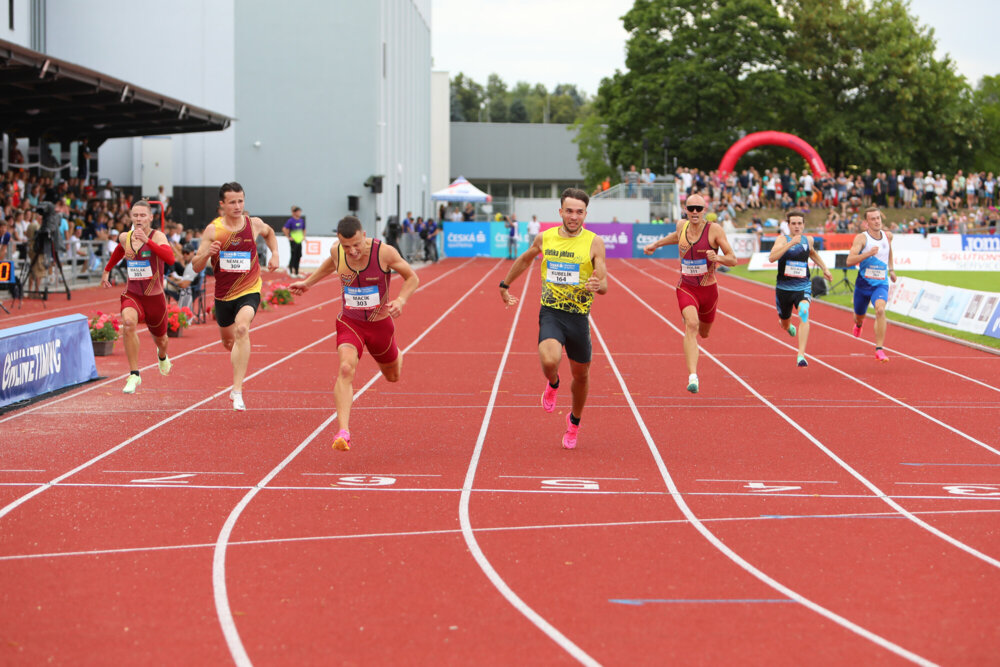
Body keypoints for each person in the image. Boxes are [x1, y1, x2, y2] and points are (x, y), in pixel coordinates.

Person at [288, 215, 419, 451]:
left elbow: (412, 277)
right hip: (350, 322)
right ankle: (343, 431)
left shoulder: (384, 252)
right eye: (347, 246)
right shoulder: (338, 251)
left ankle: (397, 355)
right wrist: (309, 282)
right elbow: (332, 261)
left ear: (364, 236)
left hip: (380, 326)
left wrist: (401, 299)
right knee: (346, 368)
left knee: (392, 376)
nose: (352, 251)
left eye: (356, 245)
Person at [498, 188, 608, 450]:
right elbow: (525, 259)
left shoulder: (594, 242)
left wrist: (597, 284)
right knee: (550, 360)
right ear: (560, 212)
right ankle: (553, 383)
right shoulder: (545, 238)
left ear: (585, 214)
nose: (574, 217)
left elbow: (603, 282)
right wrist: (505, 284)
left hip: (579, 317)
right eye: (569, 211)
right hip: (552, 312)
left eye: (579, 212)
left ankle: (574, 422)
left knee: (581, 376)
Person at [191, 182, 279, 411]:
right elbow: (196, 265)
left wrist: (275, 253)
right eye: (232, 202)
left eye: (241, 201)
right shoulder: (213, 230)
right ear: (222, 204)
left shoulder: (254, 224)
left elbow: (270, 234)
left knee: (242, 328)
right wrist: (206, 256)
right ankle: (241, 358)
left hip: (249, 289)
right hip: (223, 294)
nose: (238, 206)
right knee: (229, 342)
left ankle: (237, 390)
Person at [643, 193, 737, 393]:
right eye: (691, 208)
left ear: (705, 211)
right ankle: (693, 377)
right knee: (691, 325)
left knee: (704, 332)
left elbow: (733, 259)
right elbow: (676, 237)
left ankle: (694, 323)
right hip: (686, 287)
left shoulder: (714, 230)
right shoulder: (681, 225)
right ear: (685, 209)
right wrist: (656, 244)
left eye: (698, 208)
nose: (694, 212)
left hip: (709, 290)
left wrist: (717, 258)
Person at [100, 200, 174, 393]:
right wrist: (107, 270)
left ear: (150, 217)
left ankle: (163, 356)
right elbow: (119, 250)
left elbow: (170, 258)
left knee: (162, 341)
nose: (139, 219)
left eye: (143, 215)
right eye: (135, 215)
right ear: (130, 217)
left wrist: (147, 241)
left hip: (155, 298)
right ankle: (134, 374)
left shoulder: (158, 237)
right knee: (129, 323)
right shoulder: (126, 236)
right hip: (133, 294)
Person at [768, 209, 832, 367]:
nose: (797, 226)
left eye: (799, 223)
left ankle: (801, 355)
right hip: (784, 289)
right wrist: (791, 243)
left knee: (804, 311)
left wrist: (824, 268)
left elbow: (812, 253)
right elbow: (772, 258)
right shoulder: (782, 239)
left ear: (803, 225)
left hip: (803, 286)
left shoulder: (808, 239)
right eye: (793, 223)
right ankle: (787, 325)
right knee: (784, 322)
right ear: (788, 225)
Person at [846, 206, 896, 361]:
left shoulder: (888, 236)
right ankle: (859, 324)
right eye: (873, 219)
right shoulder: (862, 238)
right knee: (858, 317)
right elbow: (849, 261)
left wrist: (892, 269)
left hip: (880, 283)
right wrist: (867, 254)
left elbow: (889, 250)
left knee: (880, 310)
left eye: (878, 218)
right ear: (866, 223)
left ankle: (879, 349)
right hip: (863, 285)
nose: (876, 221)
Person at [165, 242, 199, 308]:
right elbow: (184, 279)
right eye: (183, 253)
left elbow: (184, 285)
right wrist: (174, 279)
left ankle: (164, 311)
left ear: (193, 252)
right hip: (189, 288)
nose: (185, 255)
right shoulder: (191, 263)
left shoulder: (191, 266)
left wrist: (172, 281)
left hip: (188, 291)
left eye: (187, 253)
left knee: (162, 285)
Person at [283, 206, 306, 277]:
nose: (299, 213)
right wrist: (288, 237)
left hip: (299, 241)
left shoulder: (301, 220)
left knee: (299, 256)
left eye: (300, 212)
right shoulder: (291, 220)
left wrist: (303, 237)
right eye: (298, 212)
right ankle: (290, 271)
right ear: (294, 212)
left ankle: (296, 272)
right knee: (293, 255)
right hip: (293, 241)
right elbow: (284, 229)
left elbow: (304, 229)